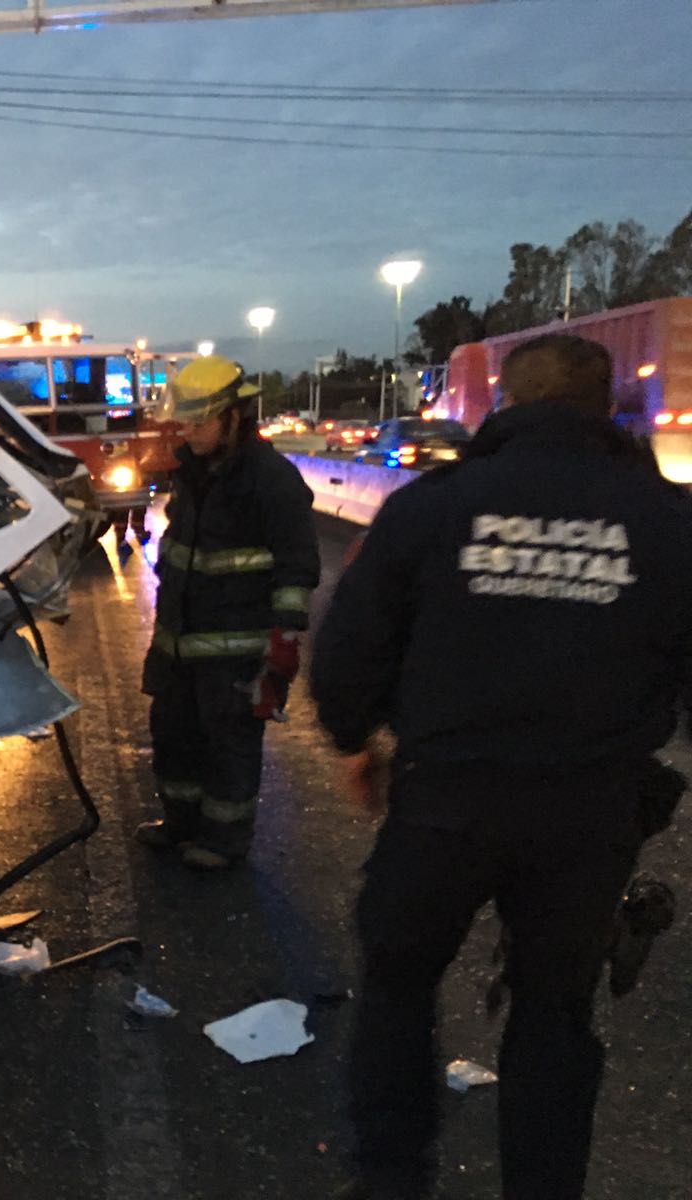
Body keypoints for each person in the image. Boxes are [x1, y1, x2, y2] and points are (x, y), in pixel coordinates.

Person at [310, 333, 692, 1200]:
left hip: (446, 804)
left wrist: (353, 741)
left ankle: (392, 1178)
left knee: (400, 987)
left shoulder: (433, 507)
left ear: (504, 407)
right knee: (555, 1014)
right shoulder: (666, 521)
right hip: (588, 817)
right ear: (607, 408)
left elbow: (352, 644)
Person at [134, 355, 320, 870]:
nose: (189, 431)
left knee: (228, 746)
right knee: (174, 739)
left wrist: (283, 641)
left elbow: (297, 565)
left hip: (235, 650)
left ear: (234, 416)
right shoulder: (193, 474)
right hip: (178, 645)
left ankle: (224, 841)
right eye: (185, 421)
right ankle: (182, 825)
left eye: (200, 421)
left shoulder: (271, 480)